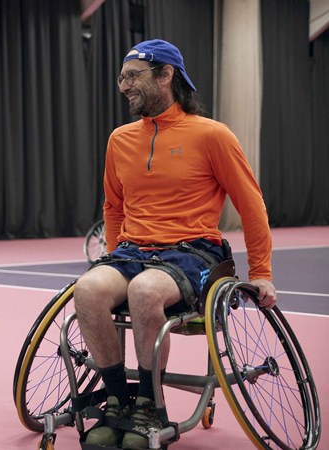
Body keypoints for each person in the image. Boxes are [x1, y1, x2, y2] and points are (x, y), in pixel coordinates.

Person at [74, 39, 277, 449]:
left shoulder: (212, 135)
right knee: (88, 288)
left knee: (145, 290)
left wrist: (262, 274)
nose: (124, 85)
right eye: (121, 78)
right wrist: (112, 257)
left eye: (133, 76)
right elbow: (113, 208)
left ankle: (150, 406)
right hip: (132, 251)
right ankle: (117, 401)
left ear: (166, 75)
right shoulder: (120, 139)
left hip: (192, 251)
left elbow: (251, 205)